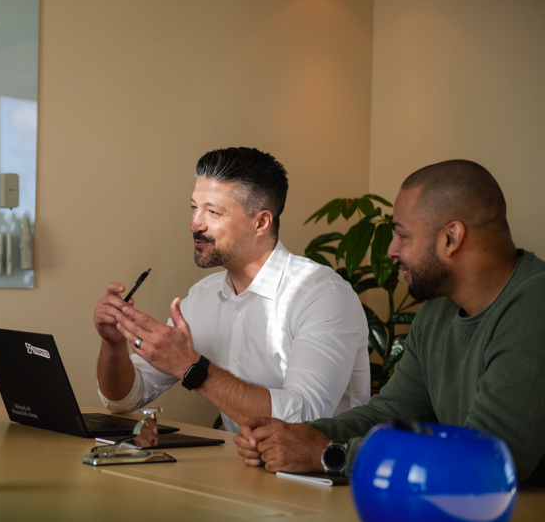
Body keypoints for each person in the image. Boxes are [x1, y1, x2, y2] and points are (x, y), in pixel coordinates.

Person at [234, 160, 545, 485]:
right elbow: (388, 416)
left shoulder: (534, 307)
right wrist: (291, 435)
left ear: (451, 238)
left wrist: (326, 453)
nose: (392, 250)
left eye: (402, 235)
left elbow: (486, 461)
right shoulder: (436, 312)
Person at [95, 147, 370, 432]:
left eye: (212, 212)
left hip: (321, 473)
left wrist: (192, 367)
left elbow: (305, 419)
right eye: (194, 208)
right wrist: (113, 346)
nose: (194, 224)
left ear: (261, 222)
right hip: (238, 471)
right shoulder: (202, 298)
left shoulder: (322, 296)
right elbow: (124, 401)